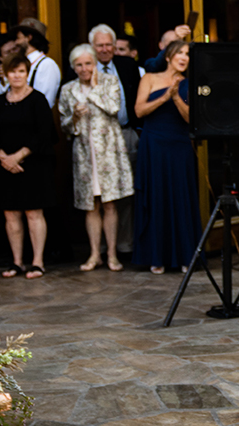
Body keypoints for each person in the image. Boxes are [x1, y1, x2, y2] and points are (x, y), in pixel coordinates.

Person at [59, 44, 133, 272]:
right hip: (84, 154)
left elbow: (114, 108)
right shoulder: (68, 89)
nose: (84, 69)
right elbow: (63, 125)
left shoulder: (109, 82)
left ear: (95, 64)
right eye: (79, 65)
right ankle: (94, 254)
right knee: (91, 206)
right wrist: (74, 116)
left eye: (88, 64)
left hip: (108, 152)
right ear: (73, 67)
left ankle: (112, 254)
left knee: (110, 204)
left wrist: (93, 90)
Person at [0, 53, 56, 279]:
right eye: (12, 71)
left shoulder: (38, 99)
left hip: (33, 166)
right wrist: (4, 158)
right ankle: (17, 262)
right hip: (5, 167)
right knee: (11, 215)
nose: (17, 75)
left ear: (27, 74)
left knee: (34, 213)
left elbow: (46, 134)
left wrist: (19, 156)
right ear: (5, 74)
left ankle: (37, 262)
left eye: (21, 71)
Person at [133, 39, 201, 273]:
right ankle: (156, 256)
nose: (184, 57)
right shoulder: (149, 79)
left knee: (180, 197)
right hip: (153, 145)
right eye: (180, 52)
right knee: (156, 197)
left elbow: (192, 119)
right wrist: (163, 97)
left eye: (187, 54)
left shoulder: (191, 84)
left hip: (179, 145)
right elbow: (139, 110)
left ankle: (184, 256)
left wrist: (175, 97)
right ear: (169, 56)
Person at [89, 24, 142, 256]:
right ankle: (100, 246)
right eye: (99, 45)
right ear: (92, 47)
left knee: (126, 193)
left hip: (126, 134)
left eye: (108, 44)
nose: (104, 49)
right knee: (98, 195)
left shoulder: (128, 66)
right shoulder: (82, 68)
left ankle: (124, 244)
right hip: (95, 140)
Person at [13, 20, 61, 108]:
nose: (16, 43)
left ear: (29, 38)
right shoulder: (17, 63)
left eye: (18, 38)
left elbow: (44, 103)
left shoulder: (47, 65)